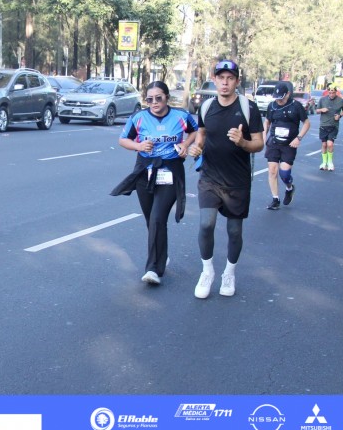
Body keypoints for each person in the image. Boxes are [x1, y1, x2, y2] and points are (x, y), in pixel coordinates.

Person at [187, 60, 264, 298]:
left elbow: (259, 143)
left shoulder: (248, 108)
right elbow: (202, 134)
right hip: (210, 176)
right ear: (215, 79)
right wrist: (197, 147)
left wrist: (242, 142)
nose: (225, 82)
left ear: (237, 82)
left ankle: (229, 273)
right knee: (205, 224)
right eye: (221, 78)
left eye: (230, 78)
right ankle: (207, 271)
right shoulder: (206, 107)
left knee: (234, 231)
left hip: (237, 180)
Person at [111, 81, 198, 285]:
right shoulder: (139, 118)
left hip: (170, 171)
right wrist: (139, 145)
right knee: (151, 219)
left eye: (158, 98)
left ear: (167, 97)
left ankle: (153, 269)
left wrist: (185, 144)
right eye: (149, 99)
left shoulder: (181, 116)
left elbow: (196, 131)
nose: (154, 102)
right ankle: (161, 255)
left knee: (158, 218)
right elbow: (123, 140)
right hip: (145, 171)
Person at [262, 81, 310, 210]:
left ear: (288, 94)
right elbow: (267, 121)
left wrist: (298, 138)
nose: (279, 101)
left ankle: (289, 188)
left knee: (284, 174)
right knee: (272, 170)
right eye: (277, 98)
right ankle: (275, 199)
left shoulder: (296, 106)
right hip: (274, 142)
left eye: (281, 98)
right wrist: (264, 135)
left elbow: (306, 123)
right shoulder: (272, 106)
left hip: (289, 144)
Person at [315, 84, 343, 171]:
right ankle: (324, 163)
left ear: (336, 92)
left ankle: (330, 162)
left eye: (333, 93)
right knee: (324, 144)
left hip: (334, 125)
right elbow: (317, 110)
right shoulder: (323, 99)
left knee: (330, 144)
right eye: (330, 93)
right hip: (323, 125)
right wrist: (322, 110)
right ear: (328, 92)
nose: (331, 94)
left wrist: (339, 115)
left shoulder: (341, 100)